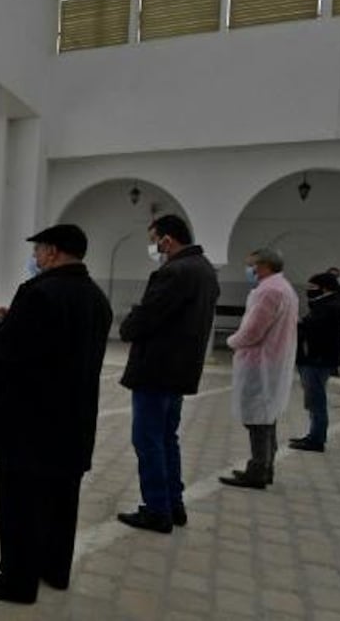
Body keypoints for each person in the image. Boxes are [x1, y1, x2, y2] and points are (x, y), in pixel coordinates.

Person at [0, 224, 112, 605]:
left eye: (39, 249)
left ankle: (17, 581)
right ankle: (54, 570)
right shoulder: (96, 297)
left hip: (29, 424)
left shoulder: (40, 292)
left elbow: (8, 350)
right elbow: (49, 345)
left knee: (20, 502)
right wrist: (10, 322)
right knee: (62, 500)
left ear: (53, 252)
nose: (35, 257)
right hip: (73, 420)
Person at [117, 215, 220, 534]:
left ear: (167, 240)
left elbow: (148, 315)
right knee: (166, 437)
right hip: (180, 368)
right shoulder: (205, 270)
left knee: (147, 439)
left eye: (154, 240)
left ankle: (157, 510)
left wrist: (128, 325)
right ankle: (174, 504)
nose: (153, 246)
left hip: (156, 367)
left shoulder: (174, 271)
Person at [220, 249, 299, 490]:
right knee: (266, 416)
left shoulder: (269, 291)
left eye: (251, 265)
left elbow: (254, 330)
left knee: (258, 419)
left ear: (264, 265)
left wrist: (232, 341)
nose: (249, 270)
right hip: (272, 360)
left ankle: (257, 470)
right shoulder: (284, 288)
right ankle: (266, 467)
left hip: (261, 363)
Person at [291, 273, 340, 453]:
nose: (308, 291)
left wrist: (300, 323)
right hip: (315, 358)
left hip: (317, 359)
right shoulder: (325, 304)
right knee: (313, 398)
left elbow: (315, 330)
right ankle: (313, 435)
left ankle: (316, 439)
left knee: (316, 399)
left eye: (312, 287)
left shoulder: (330, 307)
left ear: (325, 288)